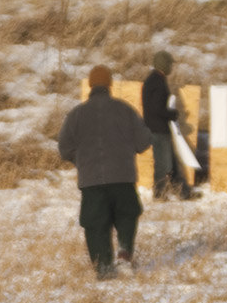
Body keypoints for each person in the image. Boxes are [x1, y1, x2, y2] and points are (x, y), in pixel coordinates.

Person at [57, 65, 154, 278]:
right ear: (110, 85)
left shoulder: (76, 114)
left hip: (91, 179)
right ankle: (124, 254)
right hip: (123, 176)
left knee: (95, 223)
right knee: (127, 214)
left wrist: (81, 160)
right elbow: (144, 141)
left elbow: (64, 149)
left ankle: (102, 267)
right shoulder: (125, 109)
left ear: (90, 85)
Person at [141, 51, 189, 201]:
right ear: (164, 64)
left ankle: (183, 193)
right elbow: (157, 108)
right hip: (159, 129)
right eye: (170, 64)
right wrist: (172, 114)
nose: (171, 67)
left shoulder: (153, 80)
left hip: (157, 128)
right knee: (163, 165)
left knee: (172, 164)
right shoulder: (158, 82)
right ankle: (159, 194)